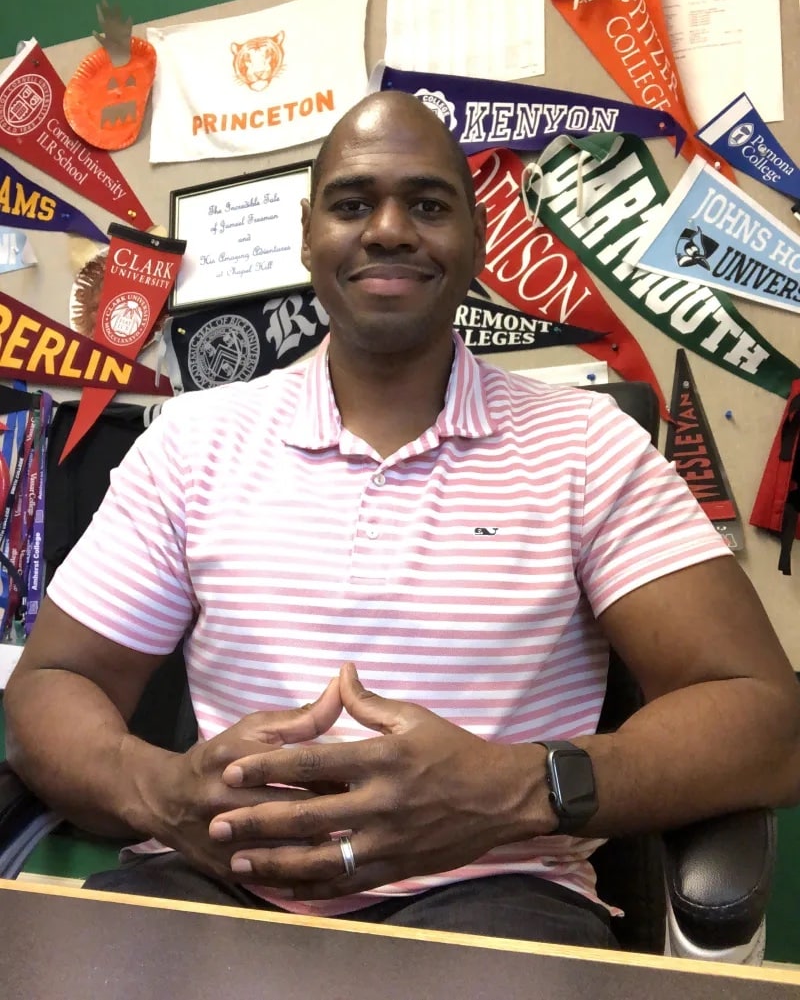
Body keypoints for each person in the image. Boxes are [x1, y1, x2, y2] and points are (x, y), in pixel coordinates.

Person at [5, 91, 800, 950]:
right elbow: (51, 687)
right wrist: (164, 793)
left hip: (492, 894)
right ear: (307, 234)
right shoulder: (193, 443)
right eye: (352, 204)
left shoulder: (586, 447)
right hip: (214, 876)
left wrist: (511, 789)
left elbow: (766, 718)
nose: (387, 229)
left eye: (427, 204)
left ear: (478, 239)